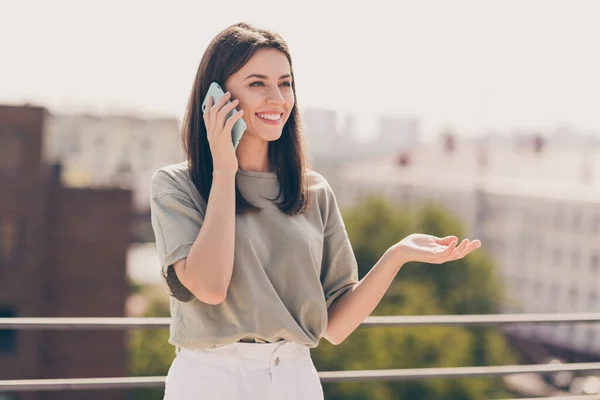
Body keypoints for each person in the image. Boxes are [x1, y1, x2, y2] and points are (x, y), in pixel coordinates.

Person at [150, 22, 481, 400]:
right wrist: (224, 170)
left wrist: (396, 256)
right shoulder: (176, 186)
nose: (277, 98)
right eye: (257, 83)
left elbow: (335, 327)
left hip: (294, 379)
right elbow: (209, 287)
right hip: (210, 380)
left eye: (285, 83)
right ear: (216, 97)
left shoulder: (313, 192)